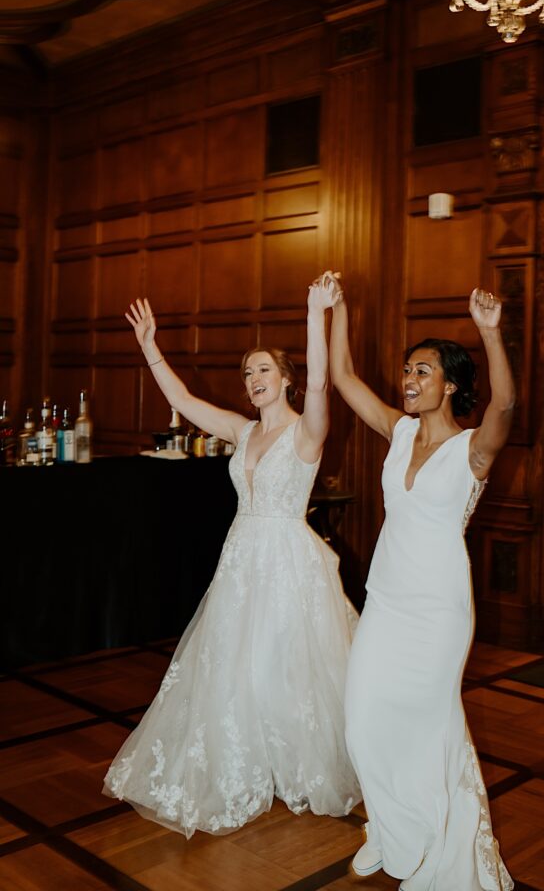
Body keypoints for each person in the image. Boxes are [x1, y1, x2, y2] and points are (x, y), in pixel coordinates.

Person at [103, 277, 361, 836]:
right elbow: (182, 402)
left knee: (284, 663)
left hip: (287, 559)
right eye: (248, 373)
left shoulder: (306, 433)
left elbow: (322, 383)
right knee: (234, 664)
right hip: (240, 558)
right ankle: (246, 760)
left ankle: (292, 760)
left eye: (263, 369)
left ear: (285, 379)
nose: (253, 379)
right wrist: (151, 347)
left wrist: (316, 313)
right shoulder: (242, 432)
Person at [322, 271, 514, 891]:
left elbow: (506, 405)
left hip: (438, 612)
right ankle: (391, 828)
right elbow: (345, 377)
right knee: (362, 720)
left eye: (423, 371)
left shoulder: (472, 452)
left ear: (451, 385)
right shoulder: (398, 431)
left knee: (430, 727)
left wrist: (490, 334)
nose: (408, 380)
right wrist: (340, 308)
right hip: (387, 601)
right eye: (408, 370)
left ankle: (438, 845)